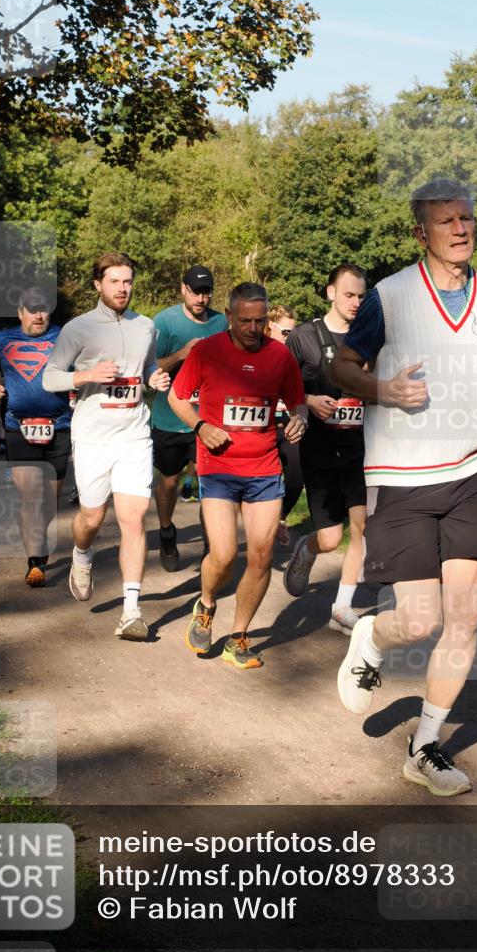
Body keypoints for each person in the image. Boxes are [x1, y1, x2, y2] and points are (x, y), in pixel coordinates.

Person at [331, 178, 477, 796]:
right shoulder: (390, 297)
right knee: (418, 619)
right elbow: (341, 365)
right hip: (400, 476)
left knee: (468, 612)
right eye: (446, 221)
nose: (461, 229)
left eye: (467, 219)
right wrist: (384, 390)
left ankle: (425, 748)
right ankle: (371, 633)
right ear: (421, 232)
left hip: (474, 471)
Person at [168, 282, 307, 670]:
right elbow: (177, 398)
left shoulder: (280, 356)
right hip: (219, 467)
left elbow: (298, 401)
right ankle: (207, 602)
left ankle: (239, 637)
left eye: (260, 321)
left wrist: (300, 418)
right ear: (229, 317)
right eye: (245, 320)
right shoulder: (208, 352)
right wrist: (200, 427)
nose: (252, 328)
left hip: (264, 467)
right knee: (226, 553)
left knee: (261, 556)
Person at [42, 252, 170, 639]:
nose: (123, 288)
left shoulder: (146, 326)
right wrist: (86, 375)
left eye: (128, 281)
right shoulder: (77, 329)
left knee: (134, 519)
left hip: (133, 434)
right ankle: (82, 553)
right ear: (98, 284)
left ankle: (132, 610)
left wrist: (155, 379)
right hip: (93, 437)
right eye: (114, 281)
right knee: (92, 520)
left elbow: (146, 367)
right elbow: (50, 378)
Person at [283, 264, 368, 635]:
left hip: (359, 447)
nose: (356, 303)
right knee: (332, 538)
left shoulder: (369, 336)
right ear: (330, 292)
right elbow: (281, 388)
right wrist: (309, 399)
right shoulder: (302, 337)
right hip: (318, 449)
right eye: (349, 295)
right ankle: (307, 549)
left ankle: (342, 607)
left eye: (362, 296)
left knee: (362, 526)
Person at [0, 287, 74, 588]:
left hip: (59, 425)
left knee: (50, 500)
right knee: (30, 497)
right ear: (20, 312)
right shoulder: (2, 339)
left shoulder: (65, 336)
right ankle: (34, 562)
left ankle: (39, 537)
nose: (39, 315)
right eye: (32, 310)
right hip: (18, 426)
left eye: (43, 309)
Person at [151, 265, 227, 571]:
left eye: (206, 292)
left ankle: (212, 546)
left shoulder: (222, 322)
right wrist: (182, 354)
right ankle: (167, 532)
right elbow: (151, 367)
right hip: (169, 417)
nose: (201, 298)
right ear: (183, 289)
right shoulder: (164, 321)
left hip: (207, 420)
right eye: (196, 291)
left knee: (210, 484)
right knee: (170, 482)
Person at [265, 304, 303, 547]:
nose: (290, 339)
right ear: (269, 327)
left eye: (293, 333)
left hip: (288, 422)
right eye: (285, 333)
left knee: (296, 478)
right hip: (263, 425)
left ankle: (280, 517)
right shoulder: (256, 351)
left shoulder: (295, 355)